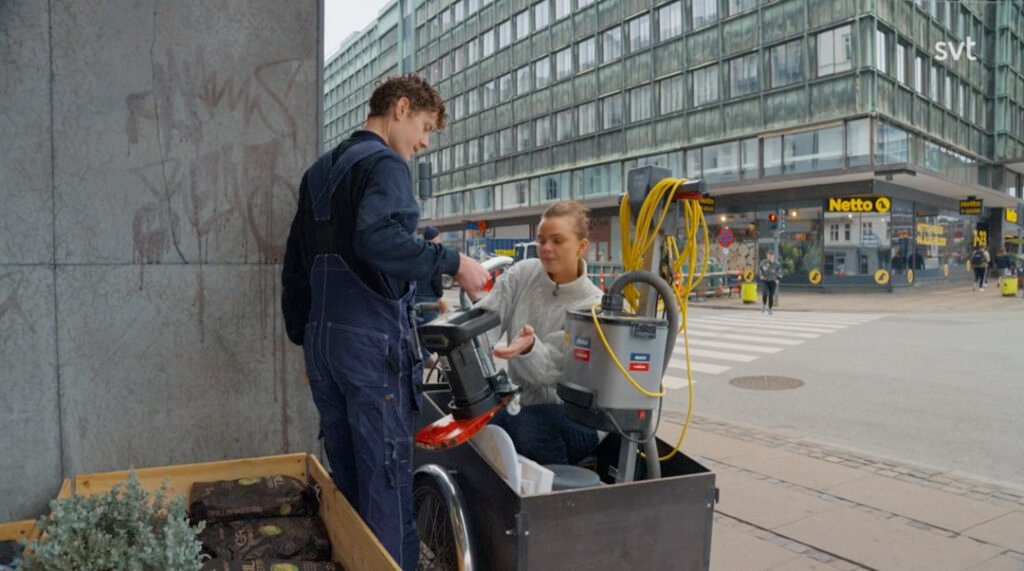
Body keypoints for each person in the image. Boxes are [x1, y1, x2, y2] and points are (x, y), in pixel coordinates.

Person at [280, 74, 489, 571]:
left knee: (349, 483)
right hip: (372, 348)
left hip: (324, 346)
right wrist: (454, 262)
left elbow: (296, 265)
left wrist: (306, 339)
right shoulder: (385, 164)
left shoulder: (319, 172)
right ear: (400, 109)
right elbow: (378, 240)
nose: (423, 142)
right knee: (387, 486)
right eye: (425, 127)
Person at [477, 201, 604, 466]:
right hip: (522, 406)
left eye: (557, 241)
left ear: (581, 247)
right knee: (481, 425)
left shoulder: (593, 305)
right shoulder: (522, 274)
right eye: (541, 240)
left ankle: (555, 485)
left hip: (577, 417)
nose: (546, 248)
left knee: (527, 427)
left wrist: (529, 348)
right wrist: (459, 333)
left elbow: (553, 370)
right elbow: (485, 321)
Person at [413, 226, 447, 365]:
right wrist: (439, 295)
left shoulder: (418, 252)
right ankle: (429, 358)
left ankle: (422, 356)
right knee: (430, 330)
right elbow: (436, 280)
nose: (441, 239)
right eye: (439, 236)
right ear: (434, 238)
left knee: (418, 329)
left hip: (416, 296)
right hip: (429, 297)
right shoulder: (434, 254)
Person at [758, 250, 783, 315]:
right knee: (765, 293)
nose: (770, 256)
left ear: (774, 256)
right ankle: (764, 306)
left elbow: (780, 272)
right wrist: (761, 276)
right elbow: (760, 270)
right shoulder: (763, 262)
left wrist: (778, 279)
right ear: (767, 255)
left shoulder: (777, 264)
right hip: (765, 281)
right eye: (769, 255)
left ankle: (770, 309)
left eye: (771, 255)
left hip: (773, 281)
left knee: (771, 295)